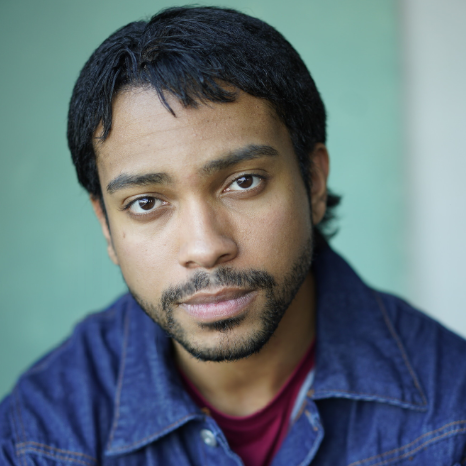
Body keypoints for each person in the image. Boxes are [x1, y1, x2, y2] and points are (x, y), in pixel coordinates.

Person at [1, 5, 465, 466]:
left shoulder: (452, 412)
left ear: (314, 183)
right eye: (146, 203)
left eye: (244, 182)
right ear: (106, 225)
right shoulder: (38, 438)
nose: (205, 248)